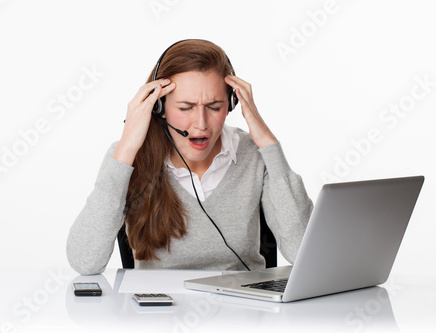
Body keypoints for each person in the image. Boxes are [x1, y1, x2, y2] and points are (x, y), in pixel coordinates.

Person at [66, 39, 313, 275]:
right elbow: (85, 262)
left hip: (242, 311)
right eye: (185, 108)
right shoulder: (128, 157)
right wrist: (127, 148)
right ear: (158, 107)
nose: (201, 123)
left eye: (215, 107)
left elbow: (305, 253)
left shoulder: (256, 155)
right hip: (157, 310)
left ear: (232, 103)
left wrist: (268, 144)